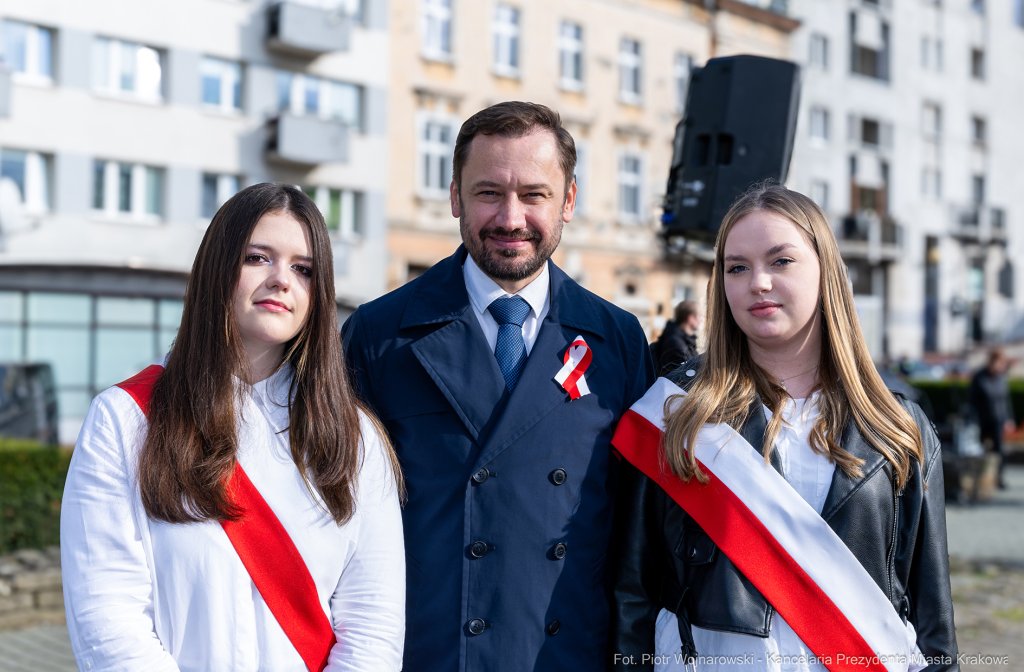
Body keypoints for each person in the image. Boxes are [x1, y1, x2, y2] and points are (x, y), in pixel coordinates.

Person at [341, 101, 654, 672]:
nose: (511, 218)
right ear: (455, 197)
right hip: (429, 657)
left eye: (534, 194)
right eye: (488, 193)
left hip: (567, 657)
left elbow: (640, 542)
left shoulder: (618, 339)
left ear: (569, 201)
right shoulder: (378, 335)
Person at [609, 183, 958, 671]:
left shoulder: (899, 427)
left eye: (781, 261)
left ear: (826, 272)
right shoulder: (675, 414)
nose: (758, 283)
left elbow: (933, 620)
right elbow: (632, 597)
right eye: (737, 267)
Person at [61, 183, 405, 672]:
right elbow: (108, 618)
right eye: (258, 258)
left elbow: (374, 628)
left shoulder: (355, 438)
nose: (282, 280)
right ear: (216, 270)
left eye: (303, 269)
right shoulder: (123, 419)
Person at [967, 348, 1016, 489]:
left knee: (999, 451)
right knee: (979, 450)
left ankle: (998, 478)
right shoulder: (979, 377)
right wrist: (973, 420)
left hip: (998, 419)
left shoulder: (1001, 378)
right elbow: (972, 401)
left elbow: (1006, 401)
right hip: (982, 420)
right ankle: (979, 479)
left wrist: (1009, 419)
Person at [651, 300, 701, 376]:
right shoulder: (675, 343)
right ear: (690, 318)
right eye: (700, 316)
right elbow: (688, 375)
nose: (701, 319)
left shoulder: (685, 341)